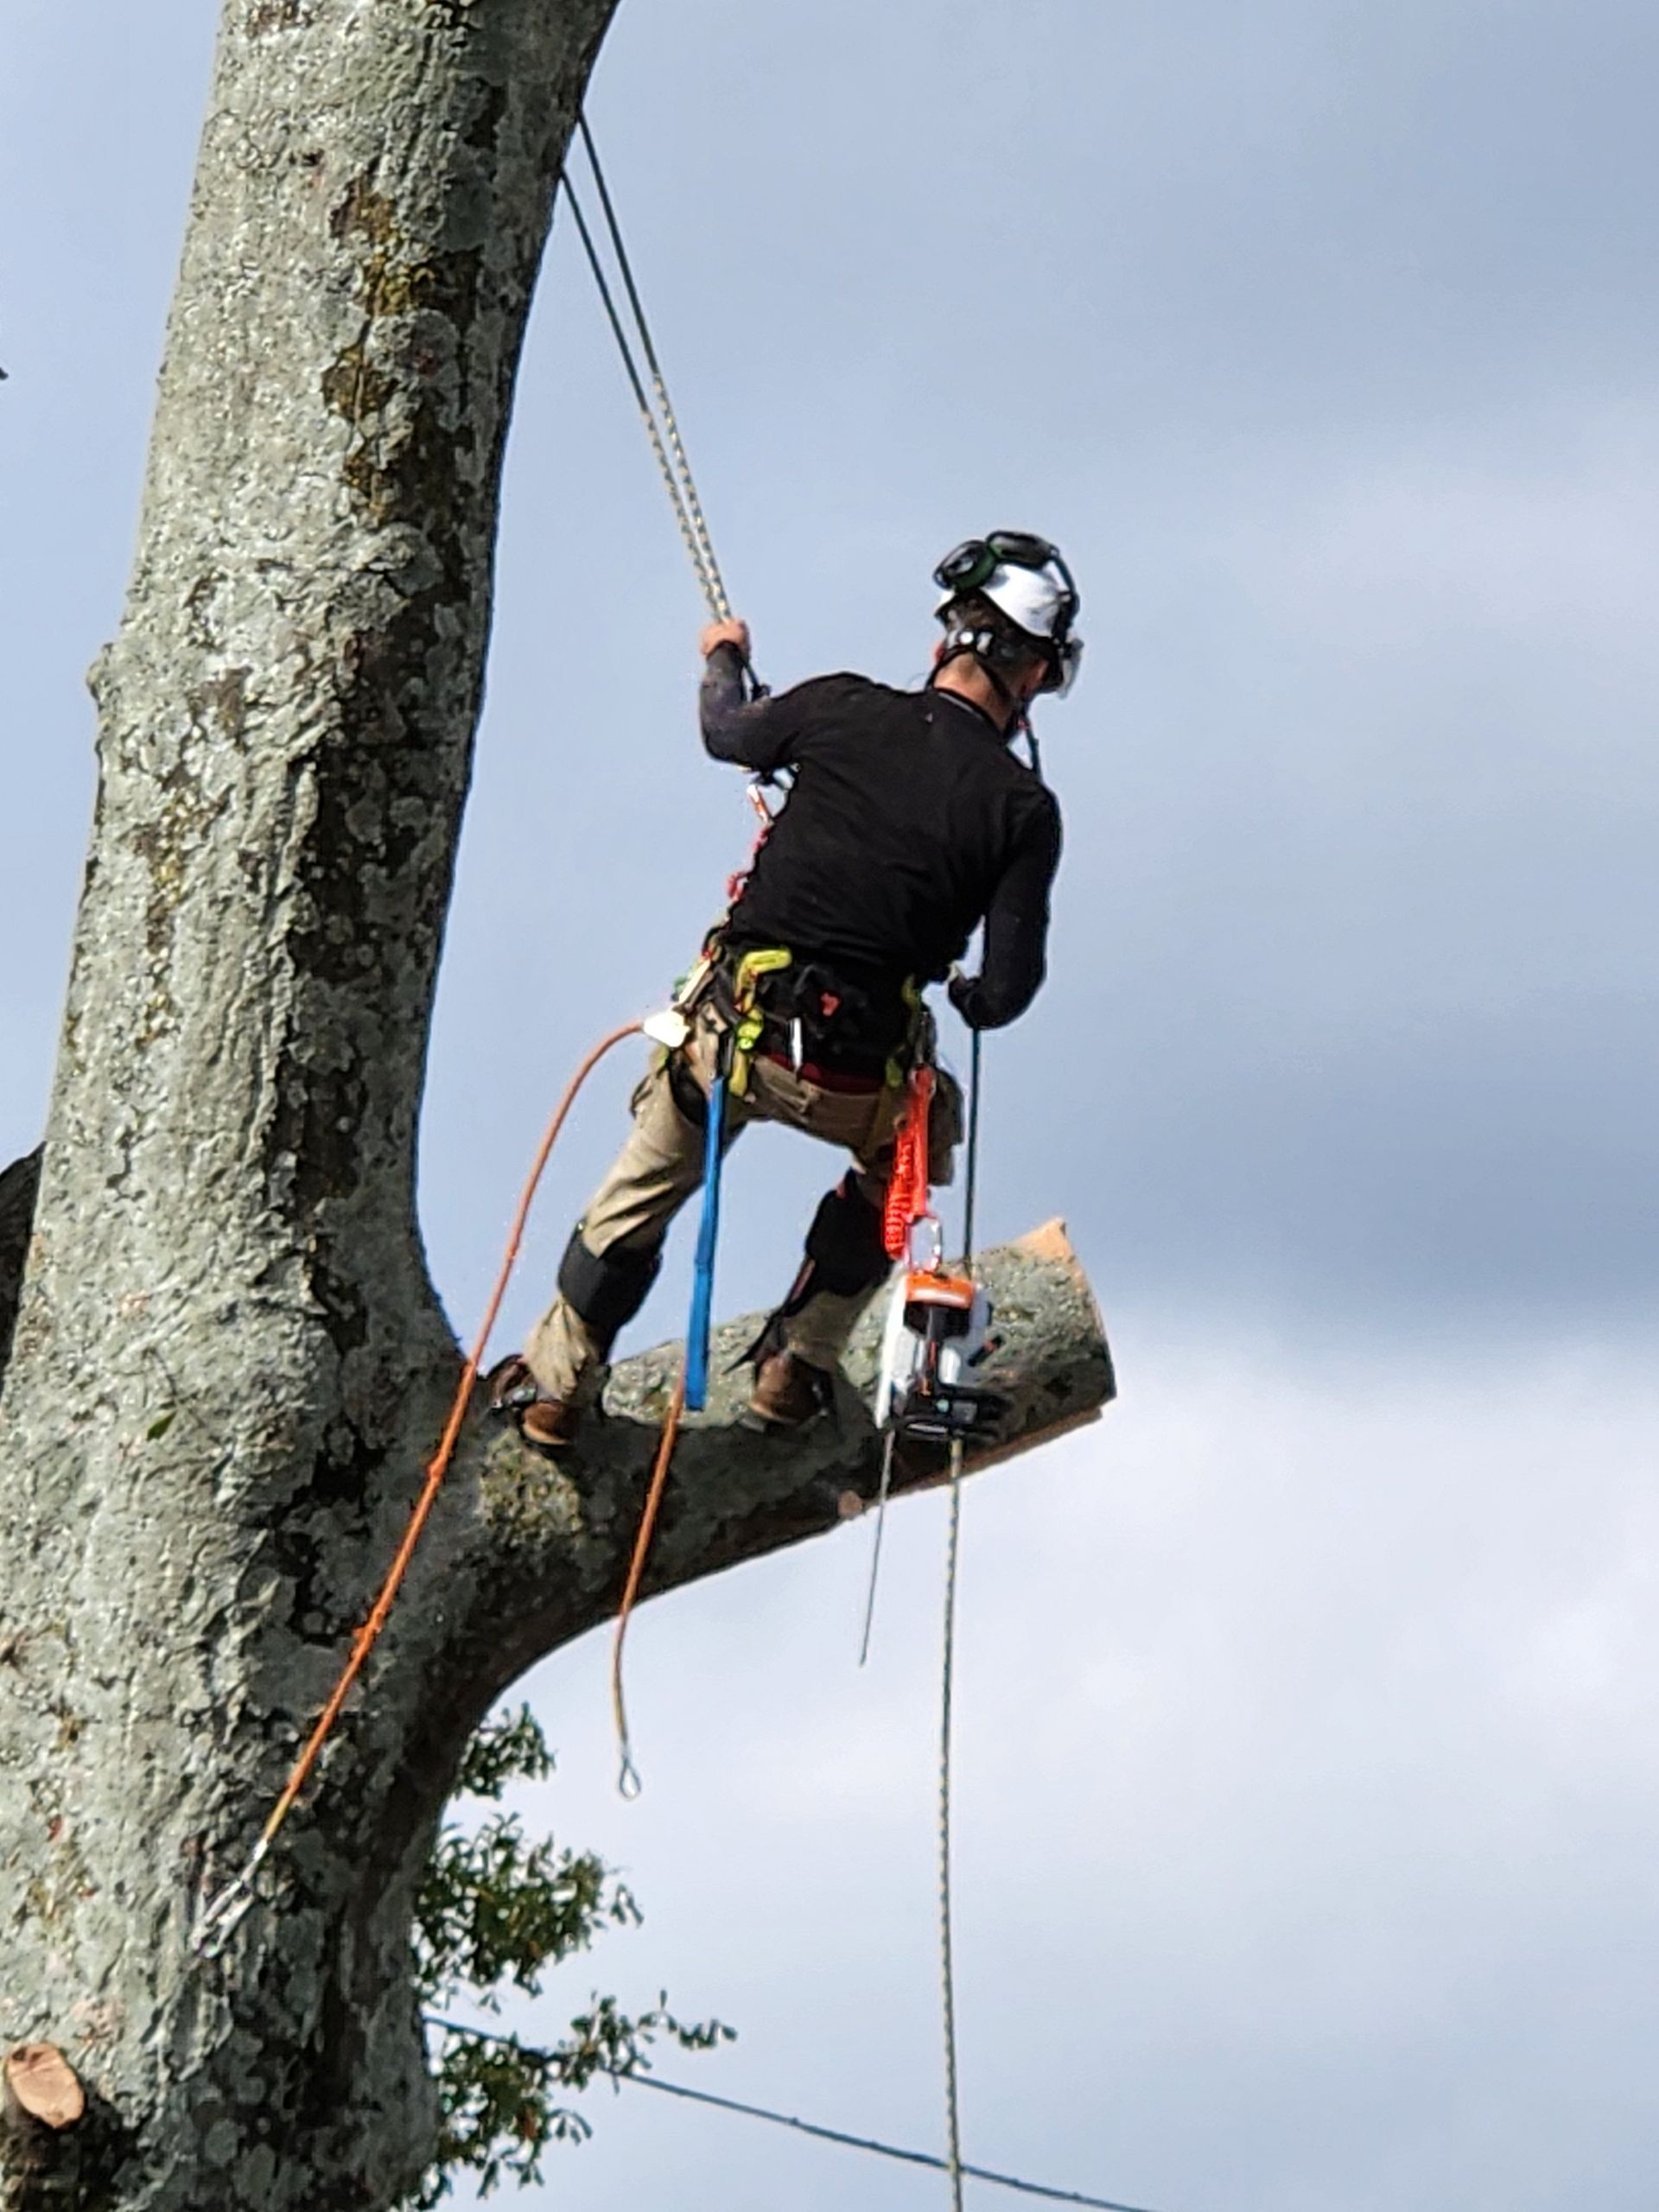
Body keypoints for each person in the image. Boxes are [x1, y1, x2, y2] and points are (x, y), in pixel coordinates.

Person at [493, 532, 1082, 1449]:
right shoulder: (1022, 810)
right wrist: (966, 996)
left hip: (737, 1039)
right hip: (863, 1076)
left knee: (644, 1181)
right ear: (1035, 672)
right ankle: (794, 1367)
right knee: (911, 1156)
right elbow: (1006, 990)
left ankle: (556, 1387)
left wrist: (723, 652)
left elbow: (727, 729)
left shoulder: (842, 706)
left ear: (947, 641)